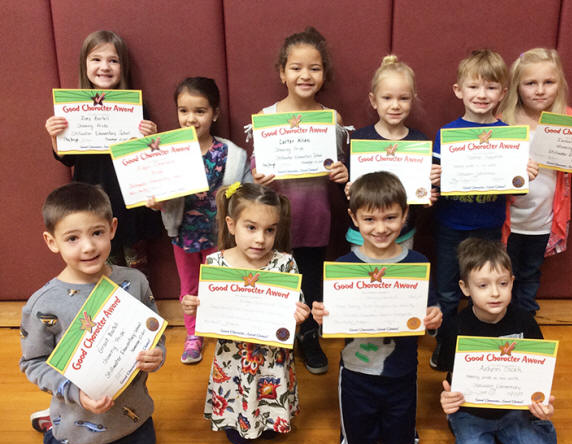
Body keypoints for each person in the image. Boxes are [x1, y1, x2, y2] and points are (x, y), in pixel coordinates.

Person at [20, 182, 165, 444]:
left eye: (97, 233)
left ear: (113, 228)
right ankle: (51, 432)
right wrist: (74, 393)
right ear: (51, 241)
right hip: (77, 425)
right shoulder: (44, 304)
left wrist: (158, 354)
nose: (88, 247)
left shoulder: (135, 282)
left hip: (134, 416)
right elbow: (32, 362)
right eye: (72, 238)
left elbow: (155, 332)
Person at [312, 172, 442, 444]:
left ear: (405, 214)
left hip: (403, 371)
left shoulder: (418, 263)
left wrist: (434, 317)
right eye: (370, 219)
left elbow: (431, 311)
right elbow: (331, 323)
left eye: (390, 217)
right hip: (357, 373)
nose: (380, 228)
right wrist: (322, 317)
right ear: (354, 218)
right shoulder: (343, 267)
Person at [428, 49, 537, 369]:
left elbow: (516, 185)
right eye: (474, 87)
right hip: (451, 225)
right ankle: (447, 345)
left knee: (488, 285)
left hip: (489, 225)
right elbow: (431, 186)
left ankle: (483, 344)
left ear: (503, 93)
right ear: (458, 91)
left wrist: (525, 175)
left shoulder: (510, 137)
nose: (482, 94)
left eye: (490, 87)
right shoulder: (446, 135)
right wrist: (432, 178)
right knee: (449, 292)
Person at [181, 183, 310, 444]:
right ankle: (236, 419)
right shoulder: (216, 264)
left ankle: (272, 417)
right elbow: (209, 308)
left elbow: (296, 304)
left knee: (271, 386)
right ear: (231, 225)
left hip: (271, 355)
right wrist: (193, 305)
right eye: (251, 228)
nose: (260, 239)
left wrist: (300, 313)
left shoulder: (284, 263)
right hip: (232, 357)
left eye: (269, 230)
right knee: (237, 427)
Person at [252, 27, 349, 375]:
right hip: (274, 223)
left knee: (310, 284)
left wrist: (342, 173)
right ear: (282, 72)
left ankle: (308, 337)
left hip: (315, 219)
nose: (305, 75)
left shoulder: (331, 119)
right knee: (276, 282)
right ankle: (275, 339)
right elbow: (254, 174)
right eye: (295, 67)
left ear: (324, 74)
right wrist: (258, 175)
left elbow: (340, 172)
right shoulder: (264, 119)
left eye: (314, 68)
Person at [437, 237, 567, 444]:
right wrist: (448, 401)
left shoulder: (526, 323)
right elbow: (450, 376)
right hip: (471, 414)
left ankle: (537, 428)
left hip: (514, 412)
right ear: (465, 288)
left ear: (512, 283)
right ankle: (467, 432)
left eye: (503, 283)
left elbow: (537, 374)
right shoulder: (455, 326)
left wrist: (542, 406)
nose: (495, 293)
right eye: (483, 285)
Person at [147, 77, 251, 363]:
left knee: (223, 282)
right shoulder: (165, 151)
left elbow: (247, 193)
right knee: (190, 287)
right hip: (184, 234)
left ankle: (225, 330)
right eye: (183, 111)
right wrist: (157, 204)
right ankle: (193, 334)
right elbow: (158, 195)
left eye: (200, 111)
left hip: (220, 234)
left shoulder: (231, 154)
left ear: (215, 113)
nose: (190, 119)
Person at [499, 48, 572, 313]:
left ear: (559, 84)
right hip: (507, 220)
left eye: (548, 82)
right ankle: (501, 319)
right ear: (517, 87)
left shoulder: (567, 119)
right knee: (503, 274)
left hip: (543, 221)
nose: (540, 90)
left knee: (530, 273)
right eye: (530, 83)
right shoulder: (503, 121)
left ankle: (524, 317)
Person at [44, 30, 161, 272]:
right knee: (101, 262)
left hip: (130, 202)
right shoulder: (72, 109)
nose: (104, 67)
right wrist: (56, 137)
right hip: (92, 197)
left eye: (113, 60)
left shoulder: (136, 108)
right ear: (84, 65)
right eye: (96, 59)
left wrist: (151, 139)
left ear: (123, 67)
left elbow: (150, 160)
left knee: (136, 265)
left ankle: (140, 305)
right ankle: (109, 306)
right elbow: (67, 158)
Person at [346, 55, 438, 249]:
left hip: (402, 234)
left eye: (403, 98)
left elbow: (422, 192)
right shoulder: (360, 140)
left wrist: (427, 195)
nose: (395, 105)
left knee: (399, 279)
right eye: (387, 98)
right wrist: (347, 188)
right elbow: (348, 186)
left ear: (412, 100)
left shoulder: (419, 142)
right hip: (362, 235)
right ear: (374, 100)